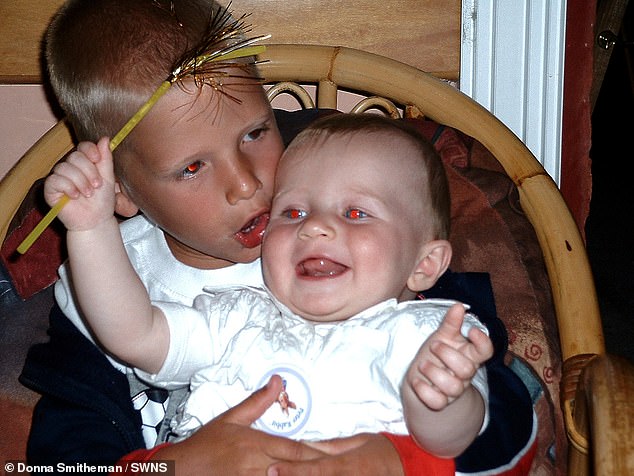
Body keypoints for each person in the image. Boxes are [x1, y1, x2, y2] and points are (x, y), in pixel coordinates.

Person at [19, 0, 537, 474]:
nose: (246, 182)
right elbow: (65, 455)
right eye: (193, 167)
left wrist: (402, 458)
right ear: (122, 193)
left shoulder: (360, 242)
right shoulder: (123, 299)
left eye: (255, 134)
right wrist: (176, 466)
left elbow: (502, 407)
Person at [45, 112, 495, 459]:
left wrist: (439, 398)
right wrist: (91, 229)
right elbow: (135, 334)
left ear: (425, 263)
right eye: (293, 212)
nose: (315, 227)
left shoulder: (426, 336)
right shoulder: (240, 317)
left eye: (355, 213)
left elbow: (453, 441)